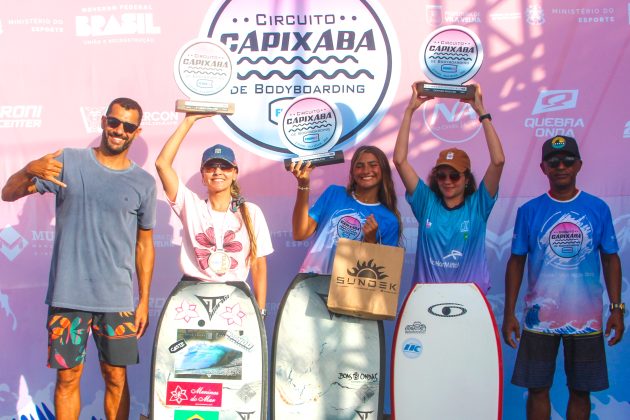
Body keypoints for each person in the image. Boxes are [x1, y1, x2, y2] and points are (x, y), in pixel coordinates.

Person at [1, 97, 157, 420]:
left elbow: (145, 245)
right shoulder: (68, 162)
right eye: (114, 122)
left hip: (117, 300)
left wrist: (143, 300)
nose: (118, 130)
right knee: (67, 378)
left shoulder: (144, 183)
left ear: (136, 132)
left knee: (116, 378)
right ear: (103, 121)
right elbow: (9, 192)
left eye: (127, 126)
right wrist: (29, 168)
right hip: (68, 296)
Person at [502, 135, 624, 420]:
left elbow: (611, 258)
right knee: (537, 389)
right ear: (543, 167)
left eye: (568, 160)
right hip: (539, 317)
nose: (561, 166)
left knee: (581, 391)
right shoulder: (529, 211)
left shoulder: (598, 208)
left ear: (579, 165)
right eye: (553, 161)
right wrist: (509, 313)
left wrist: (617, 309)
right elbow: (516, 261)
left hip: (587, 317)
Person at [393, 82, 504, 293]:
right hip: (427, 299)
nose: (447, 180)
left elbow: (498, 161)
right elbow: (399, 160)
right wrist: (409, 111)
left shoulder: (478, 206)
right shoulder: (426, 203)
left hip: (469, 301)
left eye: (454, 175)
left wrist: (482, 112)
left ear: (467, 179)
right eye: (441, 175)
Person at [155, 113, 272, 312]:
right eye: (211, 166)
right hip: (193, 295)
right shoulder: (191, 206)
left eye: (225, 166)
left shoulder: (250, 212)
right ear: (203, 175)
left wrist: (260, 311)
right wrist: (189, 121)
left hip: (235, 300)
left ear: (235, 173)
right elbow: (162, 164)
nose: (218, 171)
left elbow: (258, 264)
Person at [291, 145, 402, 271]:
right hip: (312, 283)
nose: (366, 171)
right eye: (359, 166)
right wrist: (303, 185)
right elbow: (299, 233)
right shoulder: (334, 193)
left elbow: (384, 272)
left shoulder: (389, 219)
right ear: (352, 172)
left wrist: (371, 242)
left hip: (350, 290)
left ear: (384, 170)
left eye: (373, 165)